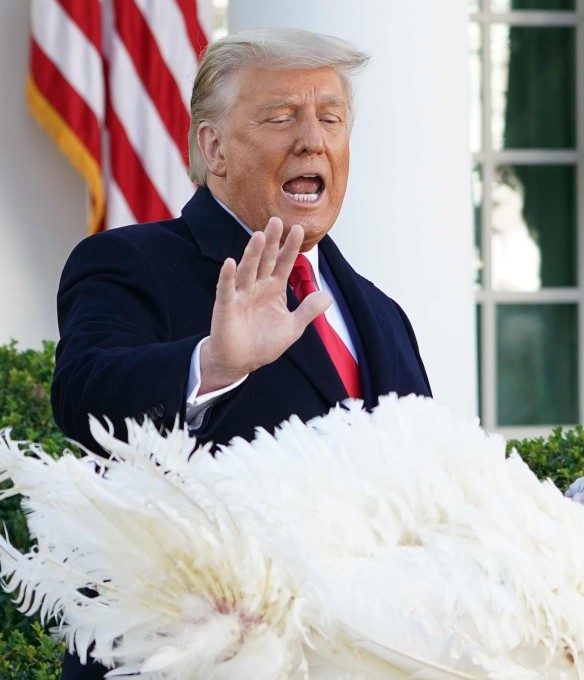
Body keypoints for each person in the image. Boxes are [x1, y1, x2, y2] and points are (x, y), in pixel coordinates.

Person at [51, 28, 431, 679]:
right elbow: (85, 398)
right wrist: (213, 366)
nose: (312, 139)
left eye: (330, 118)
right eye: (281, 117)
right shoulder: (128, 263)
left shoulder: (385, 316)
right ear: (214, 147)